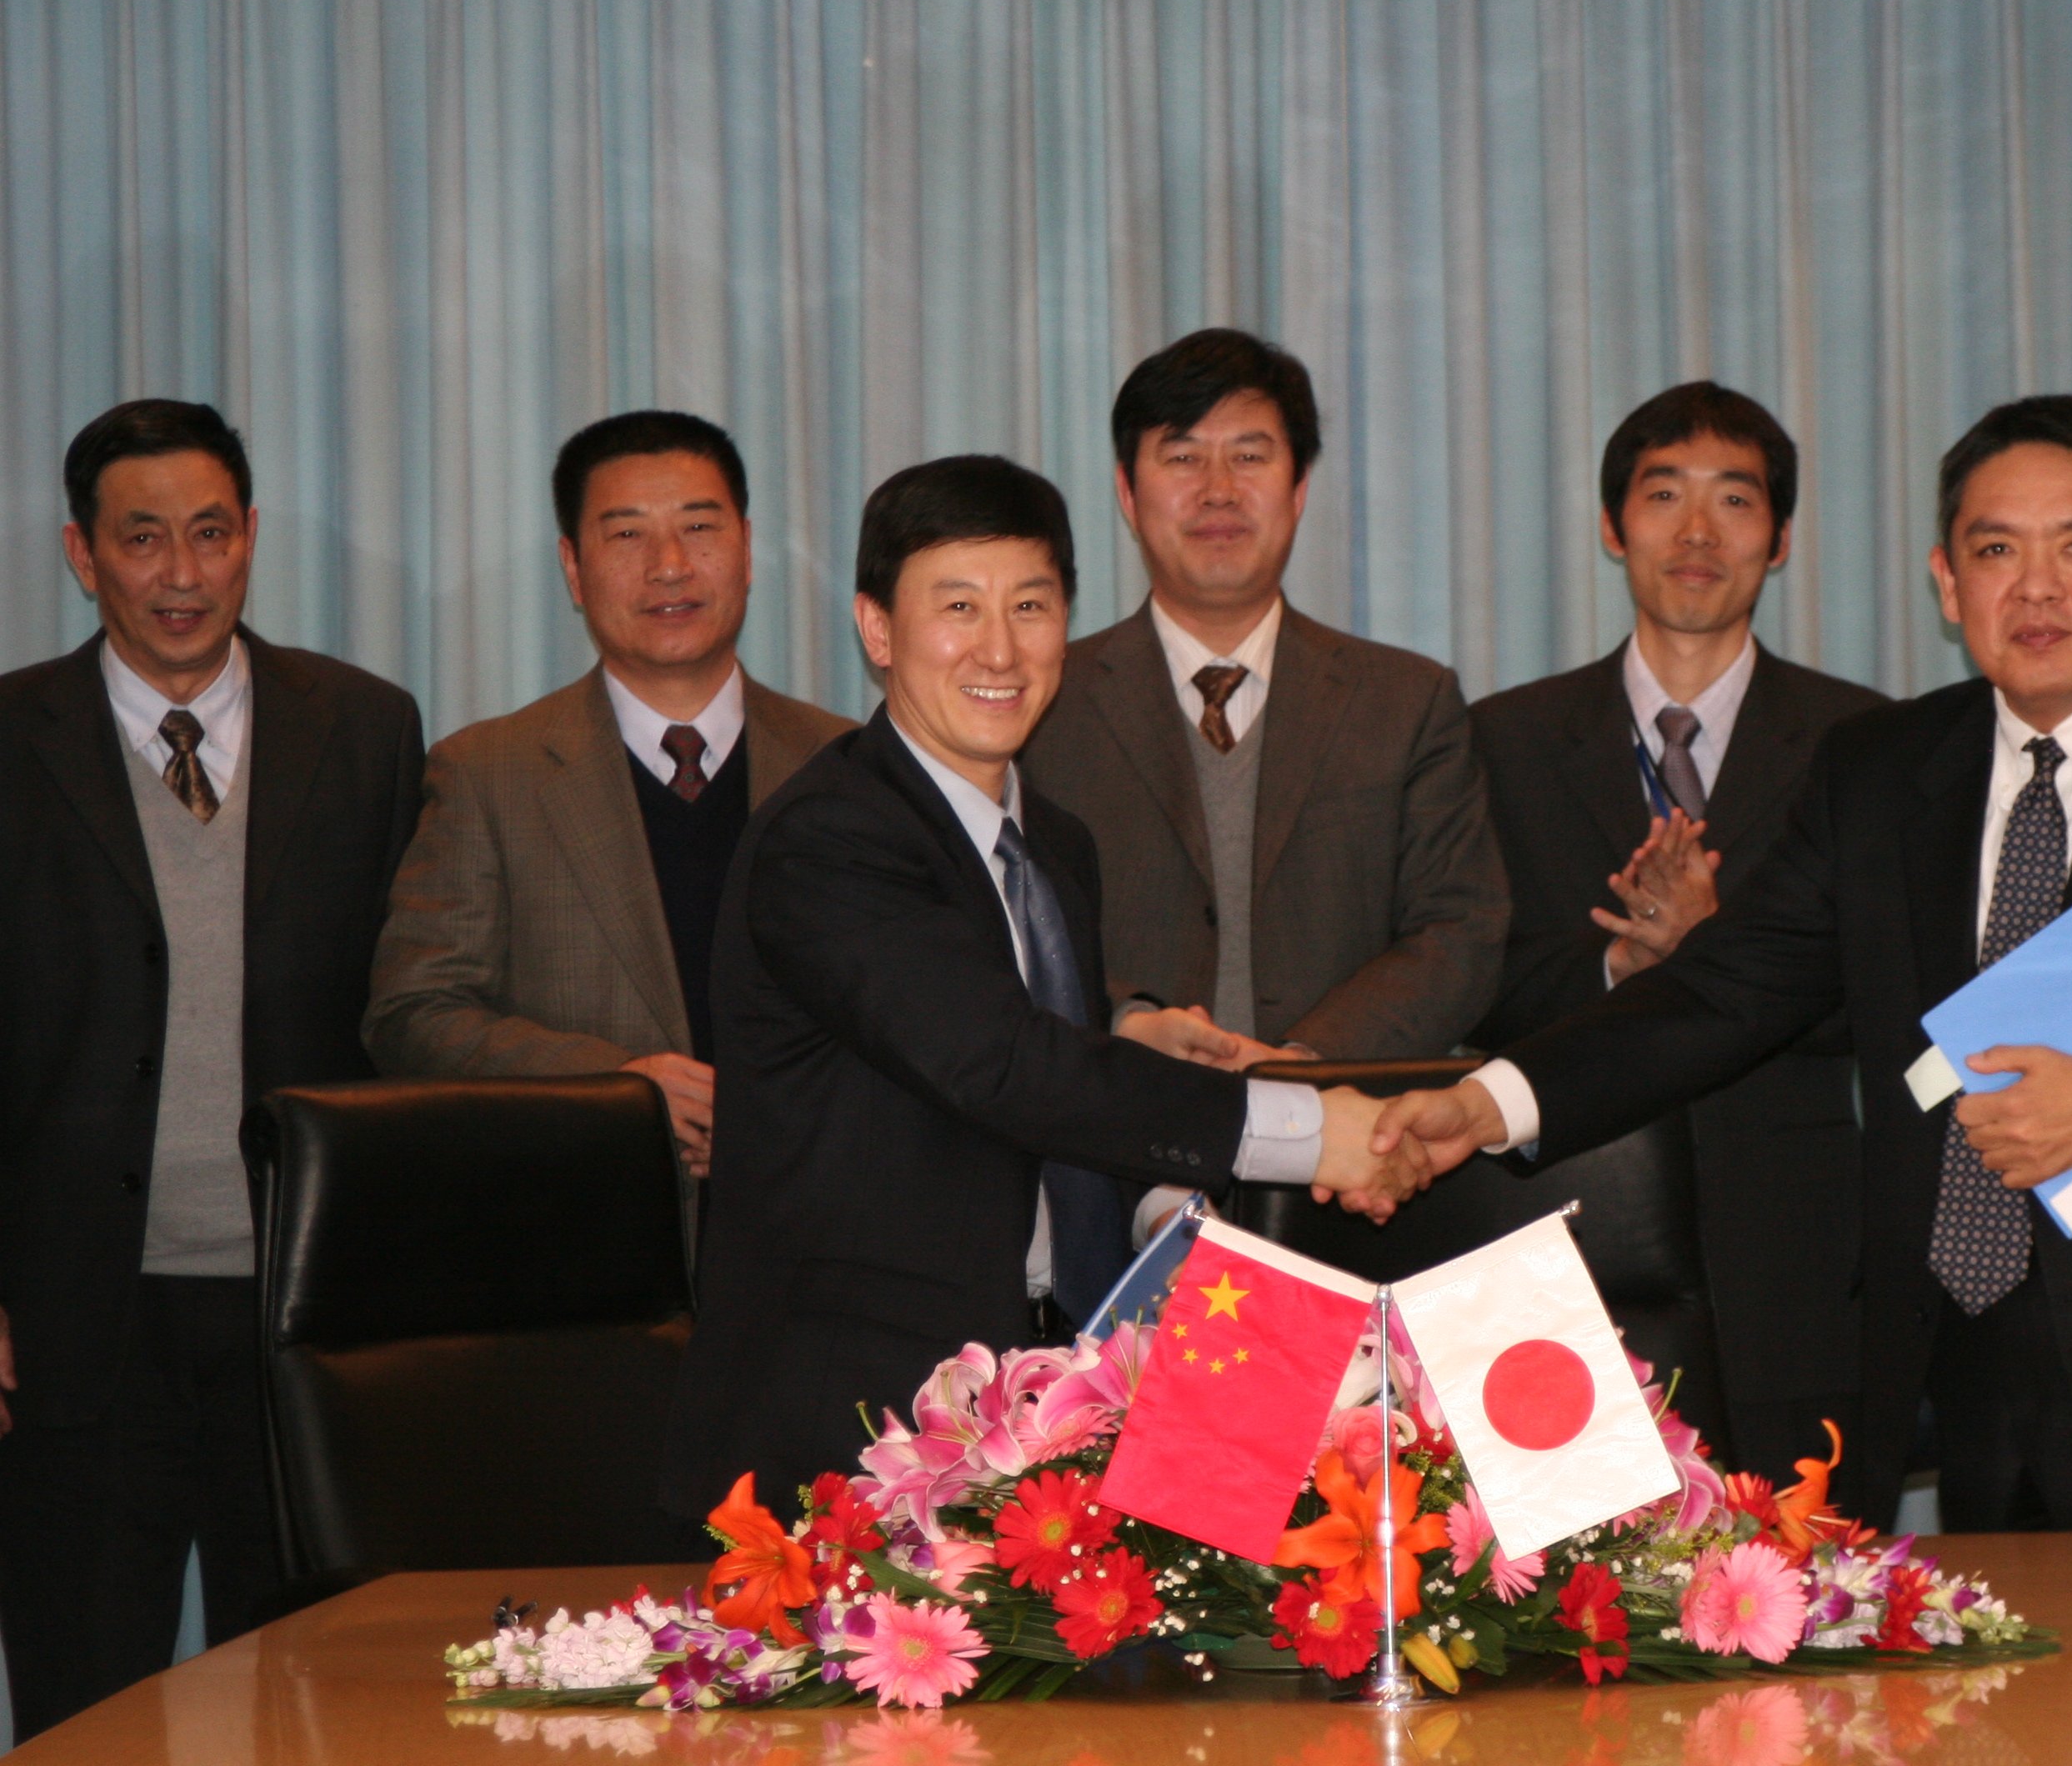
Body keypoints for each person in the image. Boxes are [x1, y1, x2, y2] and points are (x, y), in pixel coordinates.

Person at [1377, 394, 2072, 1548]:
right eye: (1996, 551)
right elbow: (1722, 991)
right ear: (1946, 583)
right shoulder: (1882, 769)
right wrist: (1489, 1103)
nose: (2036, 590)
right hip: (1969, 1378)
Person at [661, 457, 1425, 1513]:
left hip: (1044, 1398)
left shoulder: (1053, 842)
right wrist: (1304, 1130)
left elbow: (1049, 1106)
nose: (1000, 649)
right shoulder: (831, 836)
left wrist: (1162, 1206)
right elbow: (1004, 1067)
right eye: (958, 608)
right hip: (855, 1430)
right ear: (877, 630)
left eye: (1031, 605)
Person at [0, 400, 424, 1738]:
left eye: (208, 534)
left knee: (313, 1709)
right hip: (74, 1323)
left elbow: (402, 1019)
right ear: (82, 553)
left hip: (301, 1321)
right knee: (84, 1710)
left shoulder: (366, 727)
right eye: (141, 539)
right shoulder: (11, 736)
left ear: (249, 536)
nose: (180, 574)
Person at [1019, 328, 1507, 1303]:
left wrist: (1300, 1071)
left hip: (1363, 1183)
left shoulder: (1405, 700)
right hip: (1119, 1188)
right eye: (1182, 457)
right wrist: (1131, 1021)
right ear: (1126, 493)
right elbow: (1014, 929)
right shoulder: (1040, 702)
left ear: (1299, 488)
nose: (1218, 489)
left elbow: (1460, 932)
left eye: (1249, 455)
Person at [1453, 382, 1884, 1480]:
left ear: (1780, 539)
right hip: (1559, 1247)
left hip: (1797, 1253)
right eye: (1664, 497)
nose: (1698, 532)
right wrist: (1619, 965)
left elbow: (1895, 993)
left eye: (1734, 500)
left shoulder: (1867, 743)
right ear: (1614, 527)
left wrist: (1718, 953)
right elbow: (1466, 979)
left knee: (1807, 1566)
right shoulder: (1500, 738)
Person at [365, 412, 850, 1198]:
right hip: (589, 1225)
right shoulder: (488, 773)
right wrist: (615, 1085)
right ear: (573, 567)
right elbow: (413, 1014)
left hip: (816, 1218)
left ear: (747, 547)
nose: (670, 566)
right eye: (627, 535)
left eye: (699, 527)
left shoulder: (846, 764)